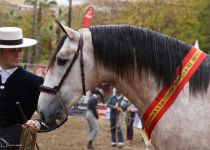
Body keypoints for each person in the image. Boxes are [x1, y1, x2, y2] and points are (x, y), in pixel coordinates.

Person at [0, 27, 44, 148]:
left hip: (17, 144)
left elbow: (52, 117)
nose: (18, 54)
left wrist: (37, 123)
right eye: (13, 50)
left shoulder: (34, 82)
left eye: (20, 50)